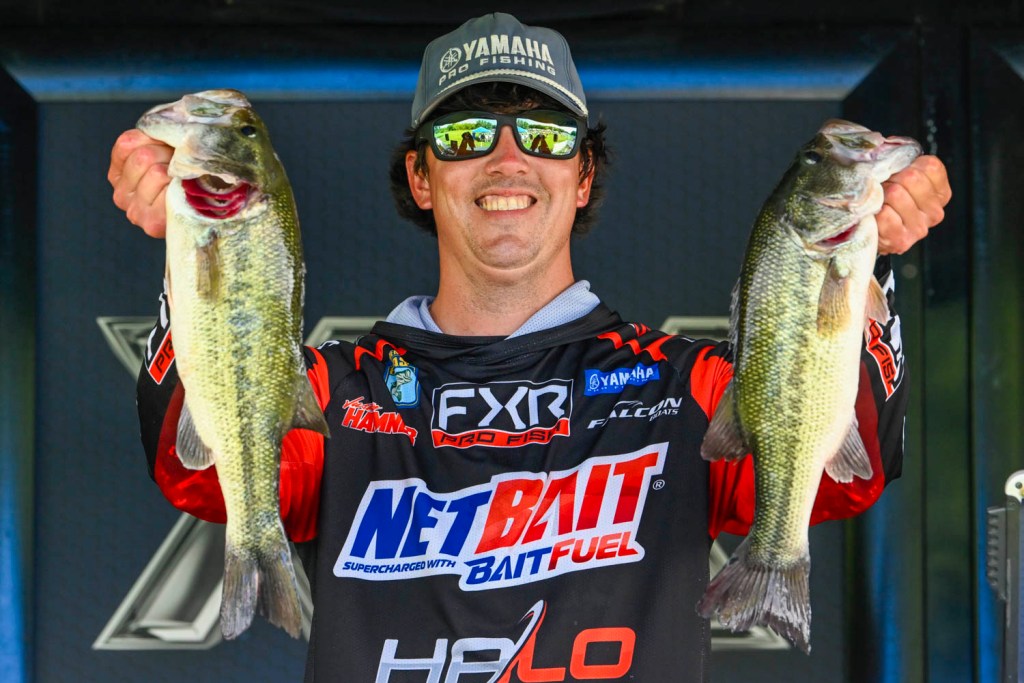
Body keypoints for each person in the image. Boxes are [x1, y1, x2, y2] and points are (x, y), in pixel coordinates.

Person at [107, 12, 951, 682]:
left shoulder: (685, 385)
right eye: (466, 135)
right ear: (421, 176)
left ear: (582, 176)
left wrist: (859, 272)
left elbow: (846, 477)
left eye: (545, 136)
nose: (507, 160)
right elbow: (195, 471)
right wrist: (192, 254)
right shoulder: (336, 391)